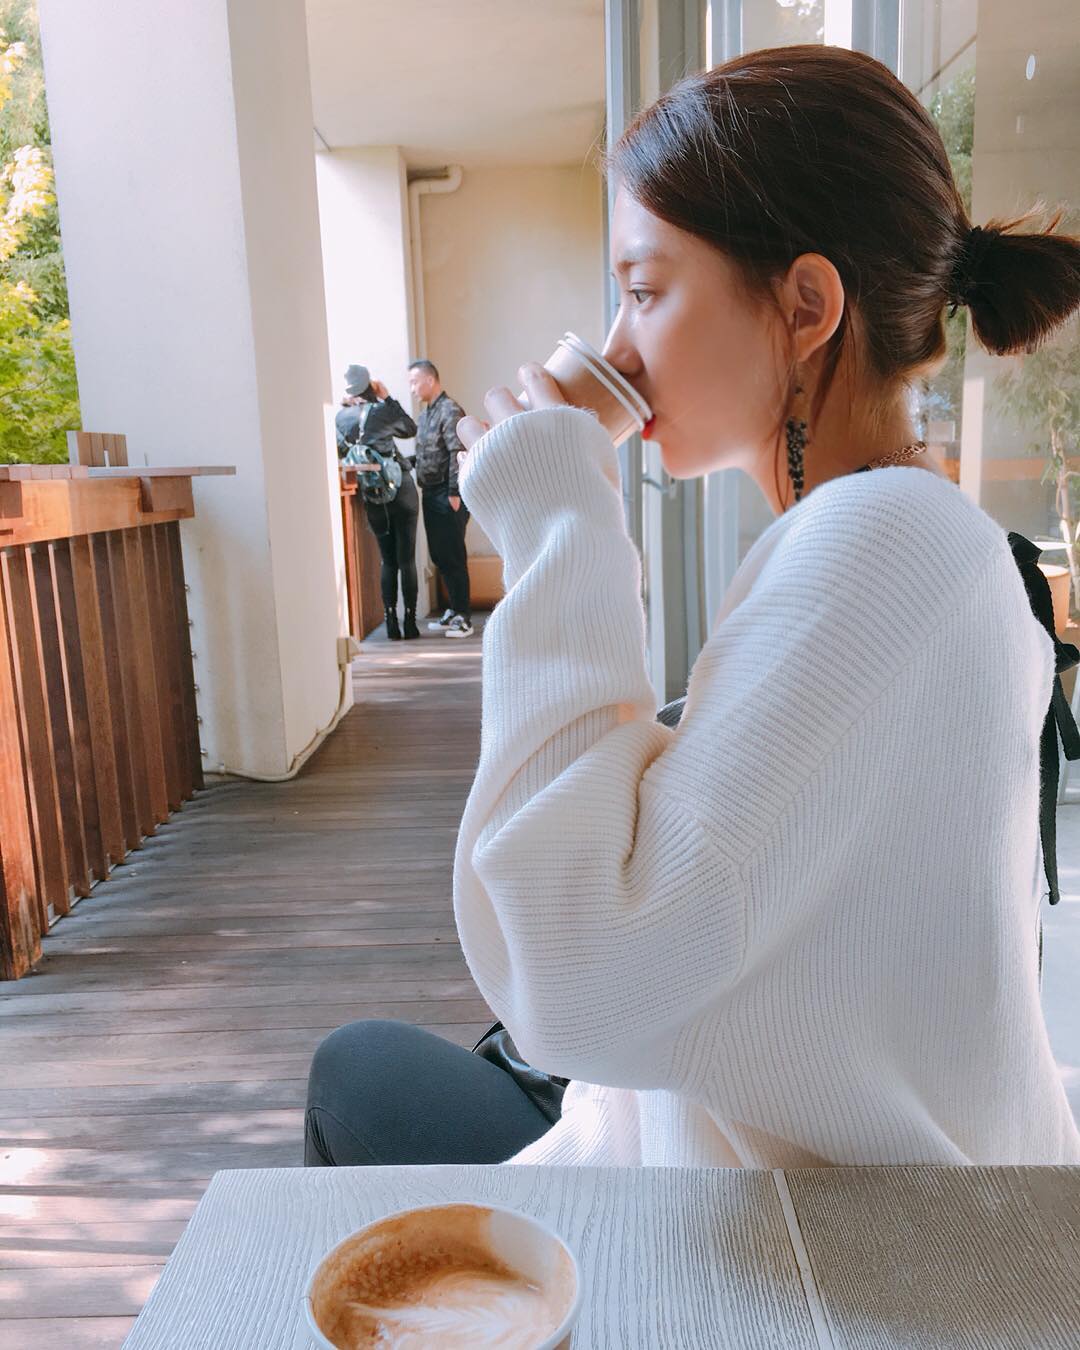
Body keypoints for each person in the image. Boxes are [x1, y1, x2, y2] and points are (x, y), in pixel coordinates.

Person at [305, 46, 1080, 1171]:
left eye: (644, 290)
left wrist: (560, 522)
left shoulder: (880, 546)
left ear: (806, 306)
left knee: (358, 1071)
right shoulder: (910, 534)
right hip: (776, 1162)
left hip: (790, 1232)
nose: (616, 347)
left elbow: (567, 979)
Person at [335, 364, 420, 640]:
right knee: (406, 560)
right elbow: (409, 428)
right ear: (370, 386)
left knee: (388, 561)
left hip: (373, 495)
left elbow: (340, 451)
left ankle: (390, 622)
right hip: (402, 490)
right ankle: (410, 622)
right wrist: (387, 397)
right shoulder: (382, 411)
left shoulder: (341, 418)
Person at [408, 359, 474, 638]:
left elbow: (457, 452)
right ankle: (453, 610)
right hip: (430, 491)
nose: (412, 388)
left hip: (447, 494)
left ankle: (464, 617)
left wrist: (454, 492)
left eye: (414, 382)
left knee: (453, 554)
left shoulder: (449, 410)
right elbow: (428, 454)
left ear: (430, 379)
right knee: (440, 554)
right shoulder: (425, 415)